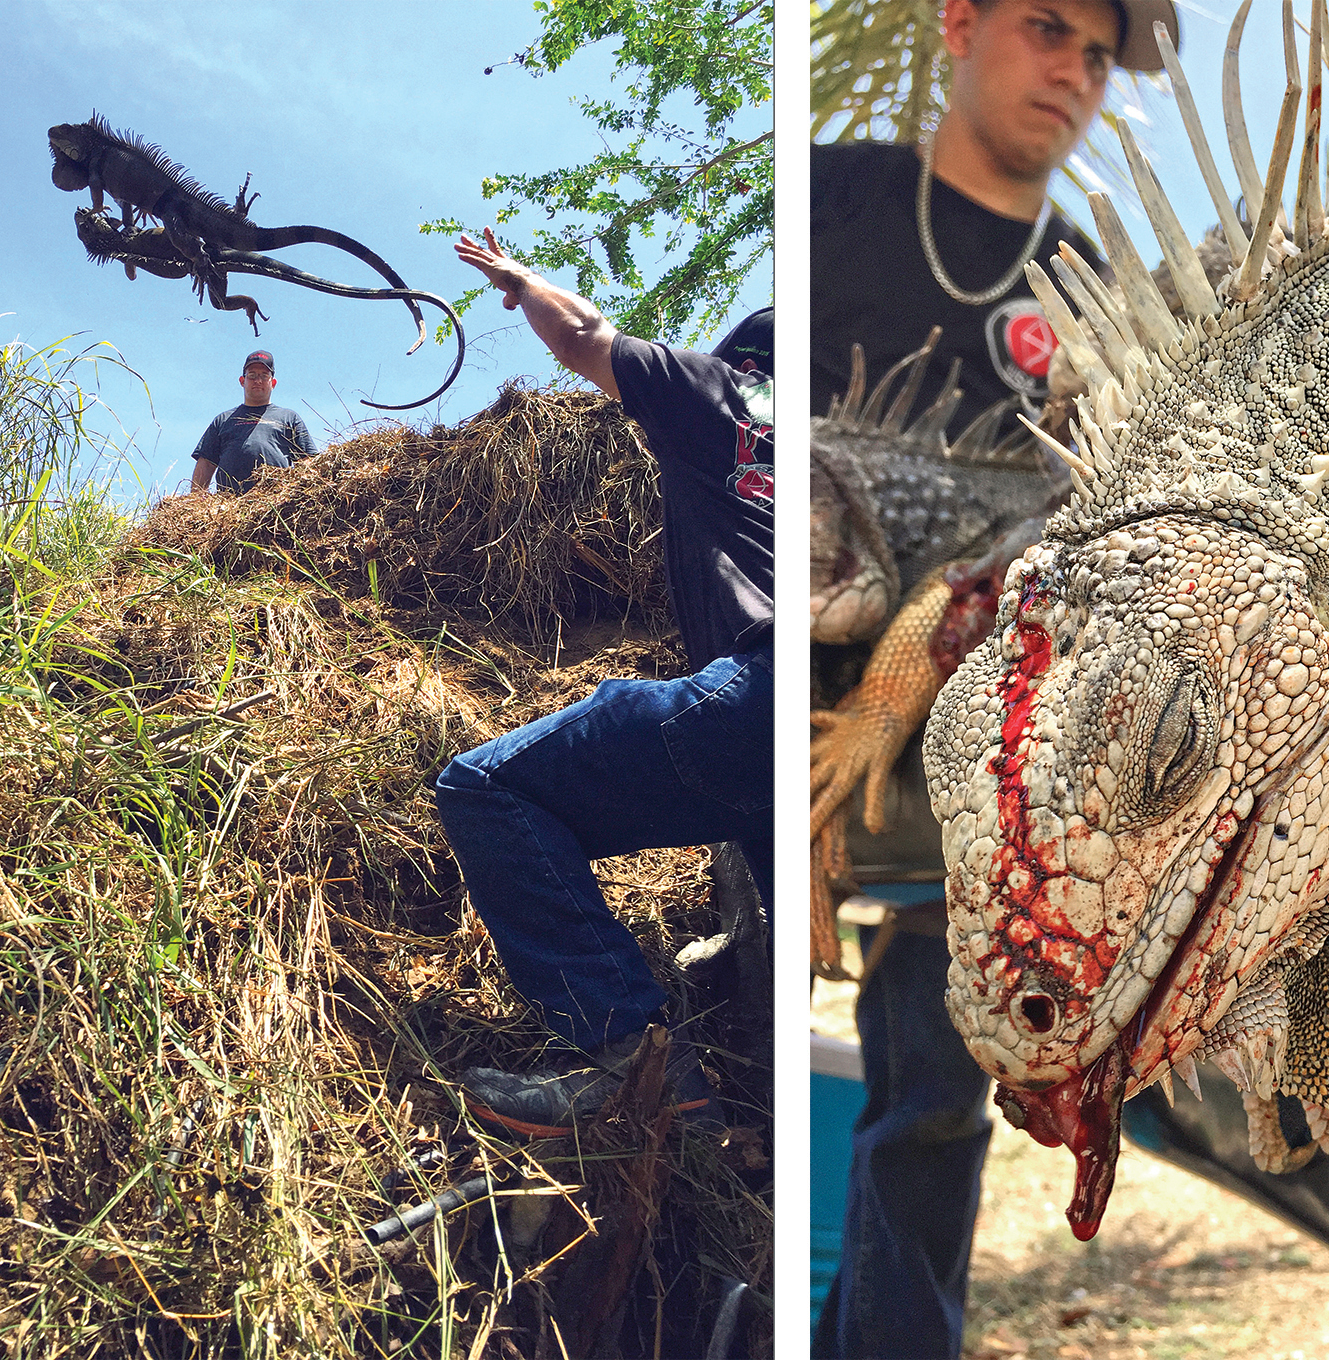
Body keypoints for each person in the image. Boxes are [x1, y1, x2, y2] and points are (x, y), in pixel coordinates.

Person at [810, 2, 1175, 1356]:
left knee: (931, 1110)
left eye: (1097, 53)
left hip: (970, 750)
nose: (1073, 71)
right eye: (1047, 27)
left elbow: (1049, 550)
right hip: (790, 704)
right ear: (959, 22)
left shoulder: (1087, 285)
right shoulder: (835, 190)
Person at [434, 227, 773, 1136]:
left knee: (485, 784)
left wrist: (520, 280)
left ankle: (629, 1056)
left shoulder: (720, 395)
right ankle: (726, 1149)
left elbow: (584, 335)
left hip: (760, 699)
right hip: (846, 737)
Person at [190, 350, 319, 493]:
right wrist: (197, 497)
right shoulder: (223, 420)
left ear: (273, 383)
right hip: (230, 505)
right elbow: (206, 463)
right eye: (252, 375)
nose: (258, 381)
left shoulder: (289, 418)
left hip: (277, 502)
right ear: (242, 381)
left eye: (264, 376)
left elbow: (308, 462)